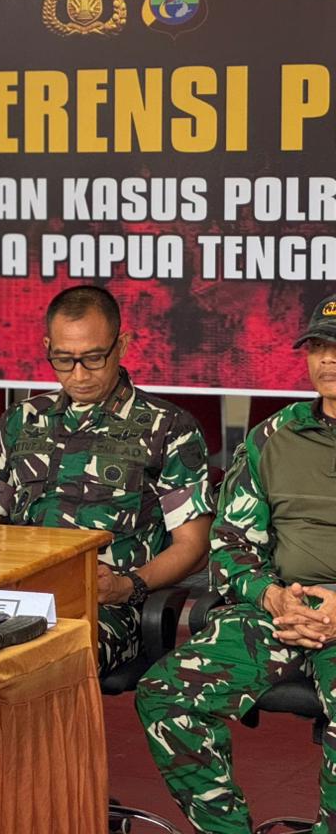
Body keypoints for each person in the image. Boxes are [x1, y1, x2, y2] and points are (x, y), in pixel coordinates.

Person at [137, 293, 336, 834]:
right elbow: (231, 545)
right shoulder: (273, 437)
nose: (326, 359)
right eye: (317, 346)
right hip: (279, 609)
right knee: (166, 695)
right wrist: (274, 596)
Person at [0, 285, 213, 675]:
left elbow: (194, 547)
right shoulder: (21, 420)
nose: (79, 375)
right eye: (63, 360)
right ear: (47, 347)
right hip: (17, 594)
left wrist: (129, 586)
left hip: (106, 607)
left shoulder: (169, 428)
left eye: (94, 358)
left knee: (31, 665)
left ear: (122, 345)